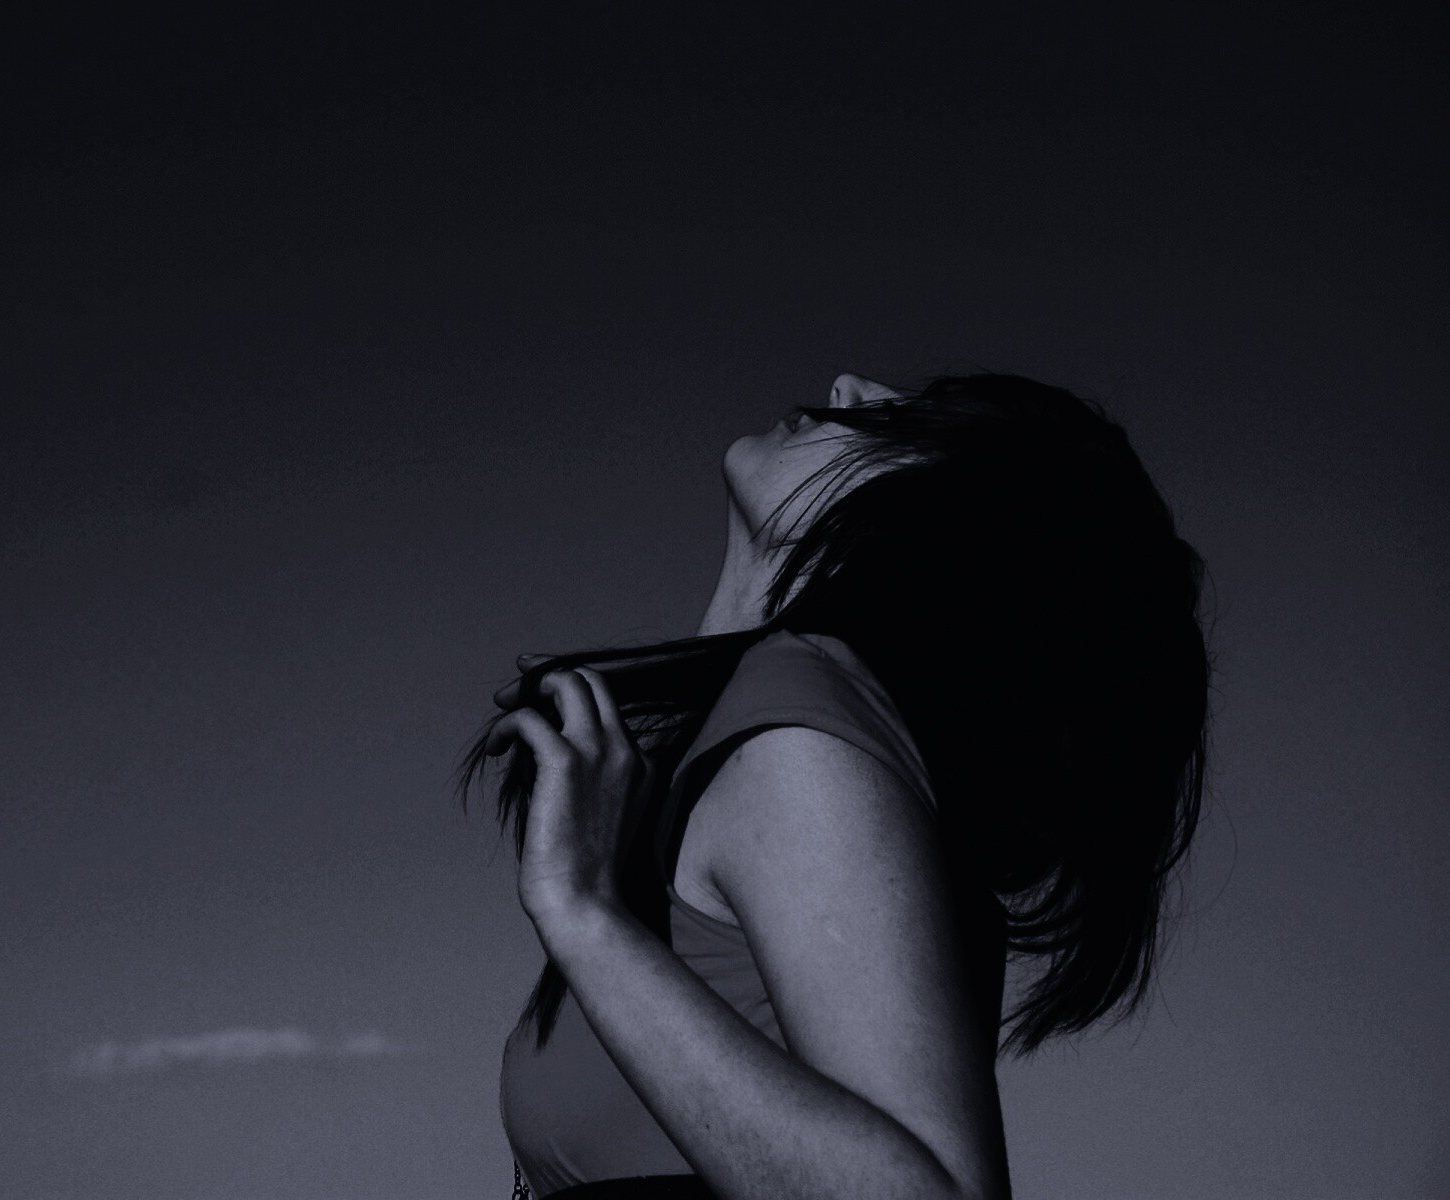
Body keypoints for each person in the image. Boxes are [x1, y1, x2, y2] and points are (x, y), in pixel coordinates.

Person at [455, 372, 1215, 1200]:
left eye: (908, 423)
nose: (851, 387)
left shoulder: (801, 728)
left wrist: (585, 916)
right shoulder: (760, 737)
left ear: (936, 528)